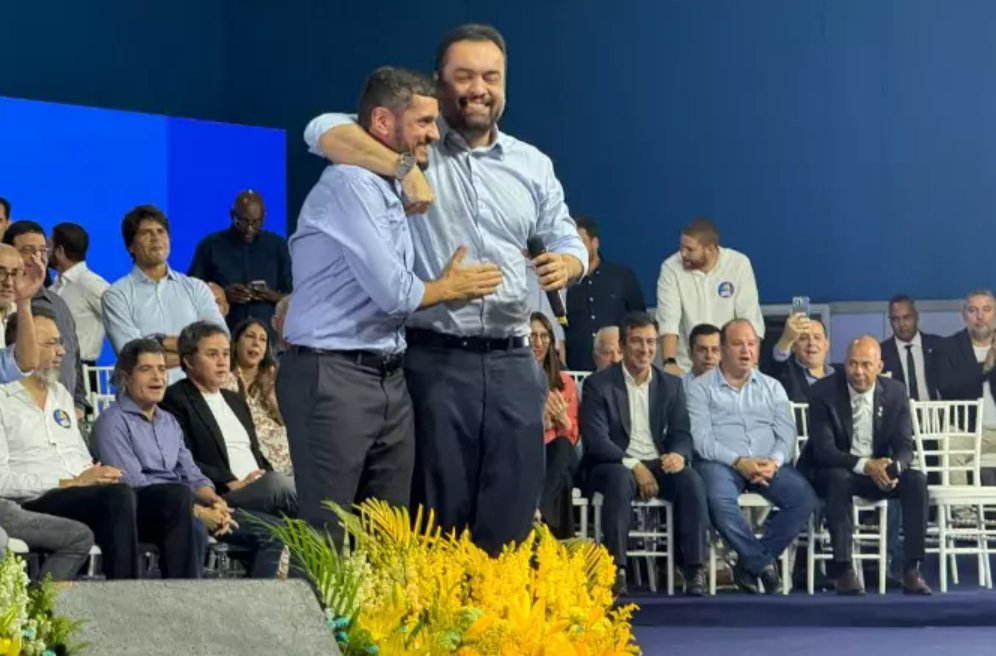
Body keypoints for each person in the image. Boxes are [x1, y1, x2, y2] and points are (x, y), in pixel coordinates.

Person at [303, 26, 587, 554]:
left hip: (514, 362)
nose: (479, 88)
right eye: (464, 76)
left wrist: (568, 264)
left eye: (491, 77)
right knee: (437, 519)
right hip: (434, 360)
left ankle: (502, 630)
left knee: (511, 513)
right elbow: (320, 129)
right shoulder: (416, 140)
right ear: (439, 82)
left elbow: (569, 236)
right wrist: (402, 167)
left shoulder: (533, 164)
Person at [281, 66, 502, 541]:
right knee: (328, 538)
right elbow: (395, 293)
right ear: (382, 122)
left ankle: (376, 619)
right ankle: (319, 620)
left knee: (389, 535)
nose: (433, 132)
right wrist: (449, 287)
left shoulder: (381, 179)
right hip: (332, 374)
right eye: (423, 121)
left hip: (387, 374)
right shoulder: (351, 184)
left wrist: (403, 169)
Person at [1, 308, 195, 579]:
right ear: (18, 347)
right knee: (117, 497)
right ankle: (123, 598)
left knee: (174, 495)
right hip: (36, 501)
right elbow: (3, 481)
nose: (61, 351)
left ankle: (184, 599)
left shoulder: (61, 395)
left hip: (83, 495)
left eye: (61, 342)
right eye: (50, 343)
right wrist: (69, 483)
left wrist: (97, 475)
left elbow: (80, 458)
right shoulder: (3, 398)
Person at [94, 337, 282, 579]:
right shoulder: (112, 422)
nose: (158, 377)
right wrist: (198, 513)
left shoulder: (168, 421)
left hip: (190, 504)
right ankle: (188, 608)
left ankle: (252, 612)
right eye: (145, 369)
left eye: (161, 369)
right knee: (193, 527)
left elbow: (191, 473)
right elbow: (133, 484)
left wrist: (214, 501)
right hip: (147, 511)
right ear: (124, 377)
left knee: (275, 532)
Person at [580, 312, 708, 596]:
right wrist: (634, 465)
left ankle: (693, 568)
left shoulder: (670, 385)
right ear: (623, 347)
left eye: (651, 342)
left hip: (657, 460)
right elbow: (596, 440)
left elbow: (682, 433)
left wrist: (678, 455)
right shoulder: (598, 384)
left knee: (691, 480)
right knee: (619, 480)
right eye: (637, 341)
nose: (645, 349)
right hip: (613, 461)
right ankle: (617, 570)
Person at [688, 319, 817, 594]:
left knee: (804, 498)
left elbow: (786, 433)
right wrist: (738, 462)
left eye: (751, 344)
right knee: (718, 499)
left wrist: (775, 461)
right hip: (721, 463)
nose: (746, 351)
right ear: (722, 349)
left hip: (767, 463)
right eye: (737, 344)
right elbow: (701, 439)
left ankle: (751, 563)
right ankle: (763, 564)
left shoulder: (773, 387)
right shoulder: (700, 388)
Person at [798, 336, 931, 595]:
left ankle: (911, 569)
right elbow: (824, 451)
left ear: (879, 366)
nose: (858, 372)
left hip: (878, 472)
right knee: (838, 477)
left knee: (916, 480)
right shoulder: (822, 393)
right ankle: (843, 568)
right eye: (852, 364)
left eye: (866, 365)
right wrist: (866, 465)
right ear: (844, 364)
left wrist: (892, 469)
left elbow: (905, 447)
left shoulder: (896, 392)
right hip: (836, 470)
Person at [161, 322, 296, 518]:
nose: (222, 362)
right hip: (222, 495)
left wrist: (266, 474)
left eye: (225, 354)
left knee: (306, 485)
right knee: (283, 487)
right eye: (212, 354)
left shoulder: (235, 400)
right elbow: (183, 459)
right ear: (189, 362)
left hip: (261, 488)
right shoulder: (175, 400)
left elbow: (255, 452)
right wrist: (229, 481)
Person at [102, 204, 228, 384]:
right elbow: (135, 358)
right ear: (130, 246)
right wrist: (196, 355)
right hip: (144, 400)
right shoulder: (116, 295)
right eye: (146, 233)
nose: (156, 238)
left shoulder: (196, 288)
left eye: (161, 232)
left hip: (196, 395)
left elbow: (221, 341)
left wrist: (162, 343)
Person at [656, 217, 764, 376]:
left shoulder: (739, 264)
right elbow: (668, 319)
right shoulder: (671, 267)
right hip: (686, 366)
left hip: (730, 364)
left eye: (690, 249)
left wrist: (752, 364)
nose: (683, 254)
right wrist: (669, 362)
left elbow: (749, 318)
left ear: (711, 248)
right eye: (681, 247)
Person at [3, 221, 87, 414]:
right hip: (18, 416)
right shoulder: (6, 303)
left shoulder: (59, 305)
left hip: (65, 416)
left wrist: (79, 405)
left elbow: (73, 359)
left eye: (42, 250)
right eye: (27, 250)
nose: (37, 258)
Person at [188, 190, 292, 332]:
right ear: (232, 215)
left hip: (267, 339)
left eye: (256, 222)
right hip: (223, 335)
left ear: (264, 216)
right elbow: (191, 292)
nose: (250, 229)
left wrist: (272, 295)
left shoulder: (279, 246)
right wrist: (223, 294)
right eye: (244, 222)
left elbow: (295, 296)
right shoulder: (209, 246)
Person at [565, 215, 645, 371]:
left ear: (595, 243)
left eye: (580, 242)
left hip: (620, 368)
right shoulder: (563, 282)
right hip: (576, 370)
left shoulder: (622, 277)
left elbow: (639, 321)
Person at [938, 289, 996, 485]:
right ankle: (963, 514)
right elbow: (946, 386)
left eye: (986, 309)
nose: (980, 317)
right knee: (950, 445)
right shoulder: (949, 347)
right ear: (964, 316)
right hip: (972, 430)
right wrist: (985, 367)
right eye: (973, 310)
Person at [530, 312, 579, 539]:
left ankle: (536, 511)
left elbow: (572, 438)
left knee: (560, 447)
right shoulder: (513, 380)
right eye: (532, 337)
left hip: (561, 453)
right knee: (564, 484)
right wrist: (542, 425)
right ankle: (557, 546)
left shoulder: (564, 382)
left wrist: (564, 422)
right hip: (530, 454)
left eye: (543, 337)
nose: (538, 343)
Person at [225, 319, 291, 476]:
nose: (256, 343)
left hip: (290, 459)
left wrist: (272, 397)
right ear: (235, 343)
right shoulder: (224, 378)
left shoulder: (272, 379)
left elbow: (289, 425)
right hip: (253, 462)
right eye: (250, 336)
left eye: (262, 339)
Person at [48, 222, 111, 372]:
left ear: (60, 251)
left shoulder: (91, 284)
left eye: (48, 246)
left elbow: (122, 318)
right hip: (51, 367)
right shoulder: (53, 288)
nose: (45, 252)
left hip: (81, 372)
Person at [881, 295, 943, 401]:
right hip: (899, 415)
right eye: (896, 319)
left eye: (906, 317)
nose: (902, 324)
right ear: (890, 321)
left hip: (935, 414)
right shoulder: (881, 353)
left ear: (916, 316)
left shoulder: (938, 345)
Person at [770, 315, 841, 402]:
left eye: (817, 337)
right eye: (803, 338)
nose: (811, 343)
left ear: (826, 345)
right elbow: (778, 360)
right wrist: (787, 338)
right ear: (793, 347)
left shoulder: (841, 375)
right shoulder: (786, 373)